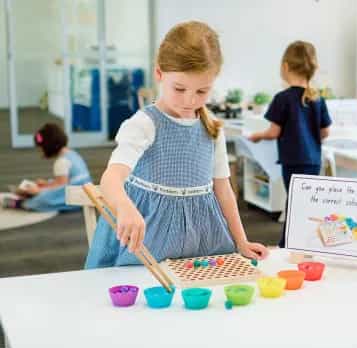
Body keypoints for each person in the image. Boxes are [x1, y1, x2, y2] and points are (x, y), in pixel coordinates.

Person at [85, 21, 268, 268]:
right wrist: (125, 207)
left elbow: (223, 191)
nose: (190, 100)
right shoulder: (144, 124)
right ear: (159, 74)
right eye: (179, 89)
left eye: (202, 91)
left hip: (204, 241)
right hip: (149, 242)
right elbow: (111, 178)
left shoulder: (212, 127)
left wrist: (241, 241)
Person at [248, 40, 332, 247]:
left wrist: (257, 136)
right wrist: (309, 136)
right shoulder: (317, 99)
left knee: (294, 203)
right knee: (306, 202)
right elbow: (325, 132)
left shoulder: (282, 99)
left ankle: (288, 243)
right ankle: (307, 242)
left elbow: (273, 132)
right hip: (312, 161)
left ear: (285, 67)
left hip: (293, 161)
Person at [2, 123, 91, 211]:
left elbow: (61, 187)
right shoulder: (72, 154)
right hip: (86, 192)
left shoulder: (61, 162)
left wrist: (39, 190)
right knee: (44, 191)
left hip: (75, 196)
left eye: (41, 149)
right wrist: (47, 184)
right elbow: (63, 182)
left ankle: (23, 203)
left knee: (42, 199)